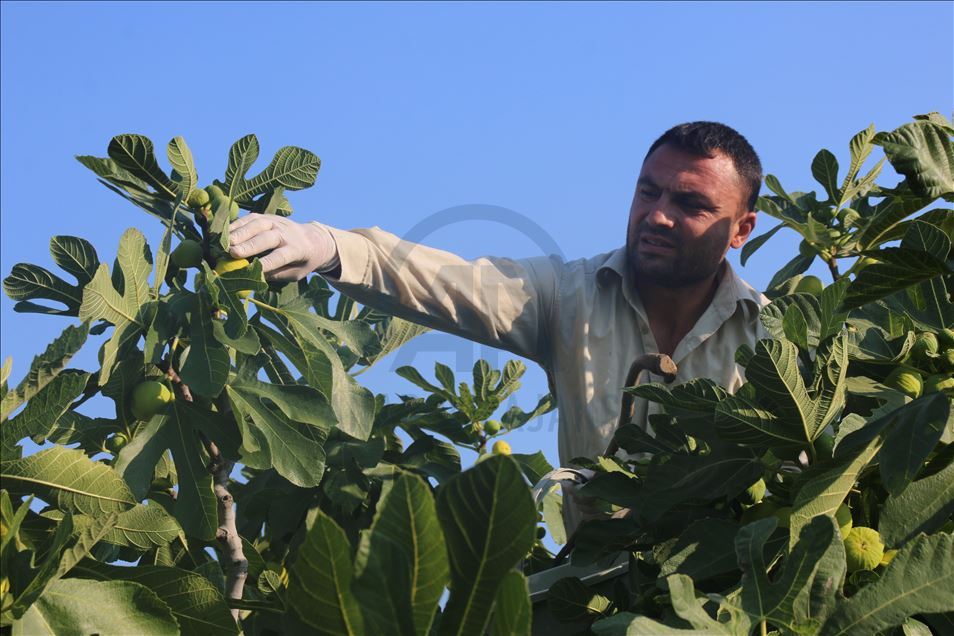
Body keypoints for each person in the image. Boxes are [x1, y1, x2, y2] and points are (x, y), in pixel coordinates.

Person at [228, 121, 769, 529]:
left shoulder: (775, 339)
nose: (657, 215)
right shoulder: (569, 295)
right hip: (591, 603)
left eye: (691, 204)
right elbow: (448, 281)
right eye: (648, 192)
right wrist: (326, 245)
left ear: (741, 230)